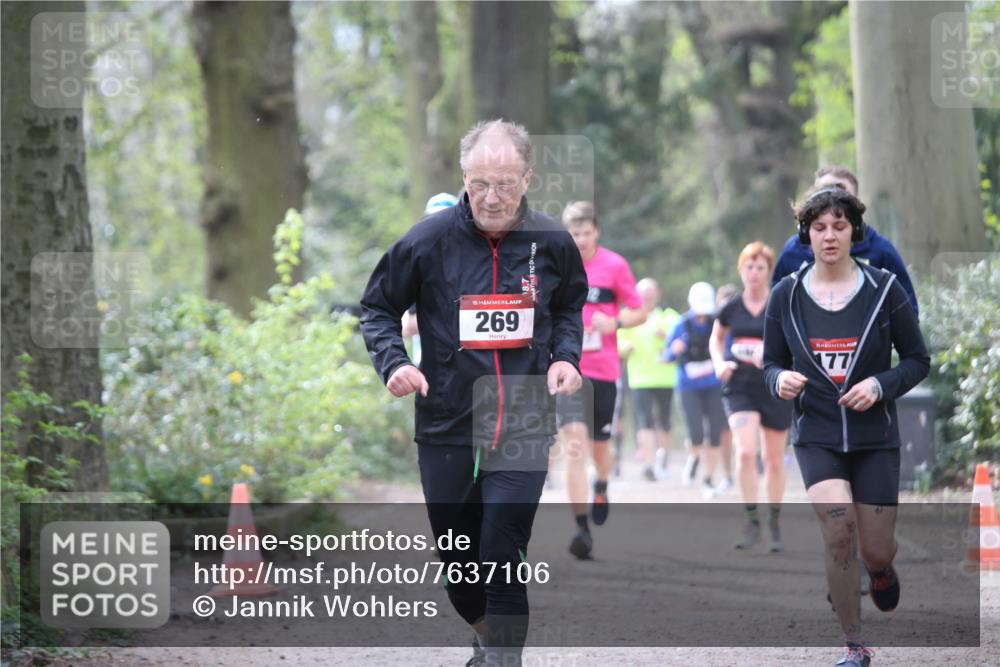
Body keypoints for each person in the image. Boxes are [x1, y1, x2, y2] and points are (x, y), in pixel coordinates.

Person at [360, 120, 588, 667]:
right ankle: (487, 637)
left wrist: (564, 357)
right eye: (480, 183)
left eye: (505, 184)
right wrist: (394, 363)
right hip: (447, 418)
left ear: (528, 177)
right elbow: (377, 308)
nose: (491, 197)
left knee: (501, 551)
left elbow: (569, 308)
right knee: (459, 562)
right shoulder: (426, 240)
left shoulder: (553, 241)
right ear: (463, 177)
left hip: (525, 414)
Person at [763, 186, 929, 667]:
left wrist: (880, 384)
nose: (829, 236)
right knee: (838, 533)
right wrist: (779, 380)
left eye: (839, 226)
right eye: (819, 228)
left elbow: (918, 360)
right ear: (806, 234)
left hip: (874, 436)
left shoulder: (883, 289)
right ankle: (855, 646)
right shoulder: (787, 294)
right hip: (816, 434)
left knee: (874, 549)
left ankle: (880, 571)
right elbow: (771, 363)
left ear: (854, 230)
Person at [556, 201, 645, 560]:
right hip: (568, 371)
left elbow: (639, 310)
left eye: (585, 233)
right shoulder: (556, 265)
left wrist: (616, 323)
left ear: (596, 231)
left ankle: (602, 484)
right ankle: (581, 528)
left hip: (605, 370)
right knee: (574, 446)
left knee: (599, 449)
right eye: (573, 234)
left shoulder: (614, 265)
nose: (580, 240)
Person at [710, 243, 793, 552]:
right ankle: (750, 521)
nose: (754, 273)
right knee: (745, 452)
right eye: (749, 267)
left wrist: (773, 356)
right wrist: (719, 363)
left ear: (769, 271)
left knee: (773, 460)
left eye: (760, 268)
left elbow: (797, 341)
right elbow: (716, 339)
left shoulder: (781, 303)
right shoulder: (731, 307)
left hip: (775, 386)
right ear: (740, 270)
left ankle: (773, 521)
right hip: (740, 385)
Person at [771, 166, 918, 316]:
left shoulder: (882, 252)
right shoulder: (792, 251)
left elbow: (907, 313)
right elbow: (776, 312)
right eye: (824, 193)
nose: (832, 201)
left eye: (839, 227)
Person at [664, 282, 729, 498]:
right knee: (696, 435)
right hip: (688, 387)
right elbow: (666, 356)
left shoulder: (717, 323)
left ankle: (708, 479)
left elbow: (727, 348)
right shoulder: (681, 324)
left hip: (713, 385)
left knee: (715, 434)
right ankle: (693, 456)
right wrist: (674, 351)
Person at [618, 278, 680, 481]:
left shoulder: (669, 317)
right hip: (639, 378)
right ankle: (648, 463)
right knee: (644, 421)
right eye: (643, 292)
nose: (647, 296)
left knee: (664, 421)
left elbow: (682, 338)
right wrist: (624, 348)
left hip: (665, 377)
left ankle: (663, 459)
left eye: (651, 292)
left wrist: (668, 337)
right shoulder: (628, 316)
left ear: (658, 294)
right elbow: (617, 339)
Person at [401, 193, 461, 365]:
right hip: (431, 368)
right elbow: (409, 325)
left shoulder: (475, 260)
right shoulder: (420, 266)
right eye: (434, 220)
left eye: (446, 219)